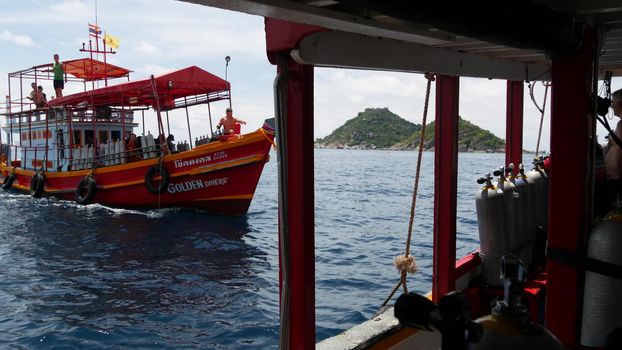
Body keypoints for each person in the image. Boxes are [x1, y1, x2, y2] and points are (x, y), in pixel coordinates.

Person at [604, 88, 622, 200]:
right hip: (615, 178)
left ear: (620, 104)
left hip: (618, 180)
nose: (611, 106)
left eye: (612, 102)